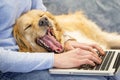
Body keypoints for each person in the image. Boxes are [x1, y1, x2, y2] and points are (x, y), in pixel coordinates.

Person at [0, 0, 119, 80]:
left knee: (113, 68)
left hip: (48, 54)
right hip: (12, 67)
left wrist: (67, 40)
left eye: (42, 18)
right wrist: (55, 59)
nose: (43, 20)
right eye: (29, 26)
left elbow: (41, 12)